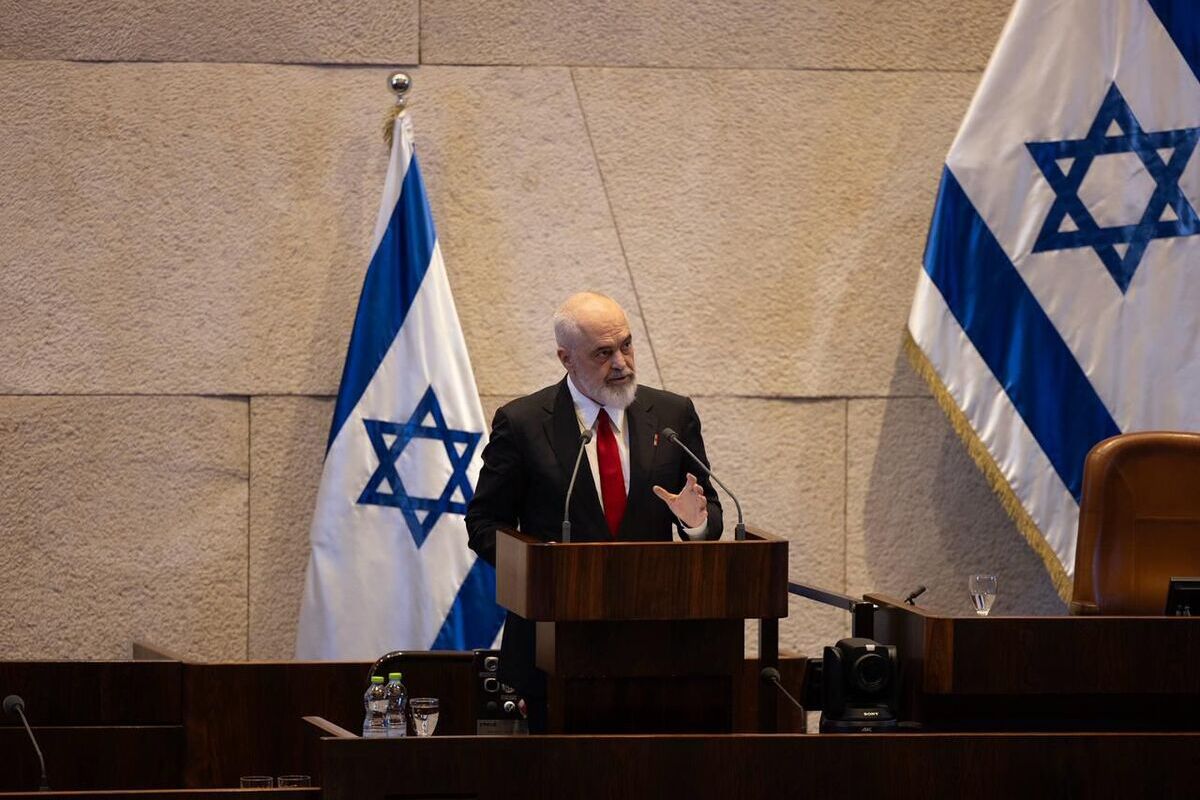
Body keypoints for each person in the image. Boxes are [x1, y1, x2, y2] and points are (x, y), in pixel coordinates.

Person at [465, 291, 723, 729]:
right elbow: (485, 523)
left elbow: (710, 511)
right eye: (603, 353)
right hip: (554, 645)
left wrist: (694, 522)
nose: (622, 362)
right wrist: (540, 566)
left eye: (626, 344)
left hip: (657, 647)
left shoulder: (672, 414)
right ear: (566, 358)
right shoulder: (524, 422)